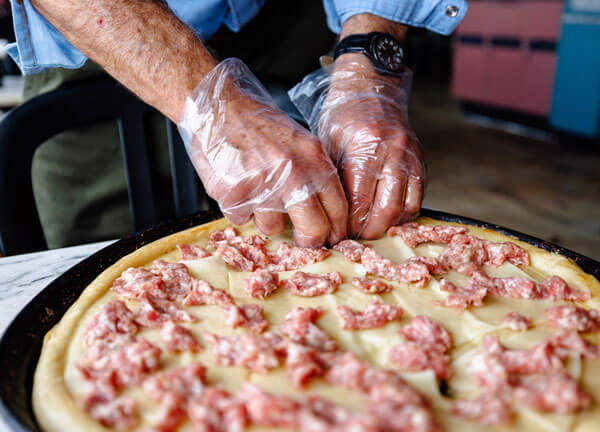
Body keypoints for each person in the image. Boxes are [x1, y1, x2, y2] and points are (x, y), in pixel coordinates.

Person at [7, 0, 466, 248]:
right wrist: (209, 102)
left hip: (289, 24)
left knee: (312, 225)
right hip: (102, 32)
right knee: (106, 258)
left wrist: (369, 61)